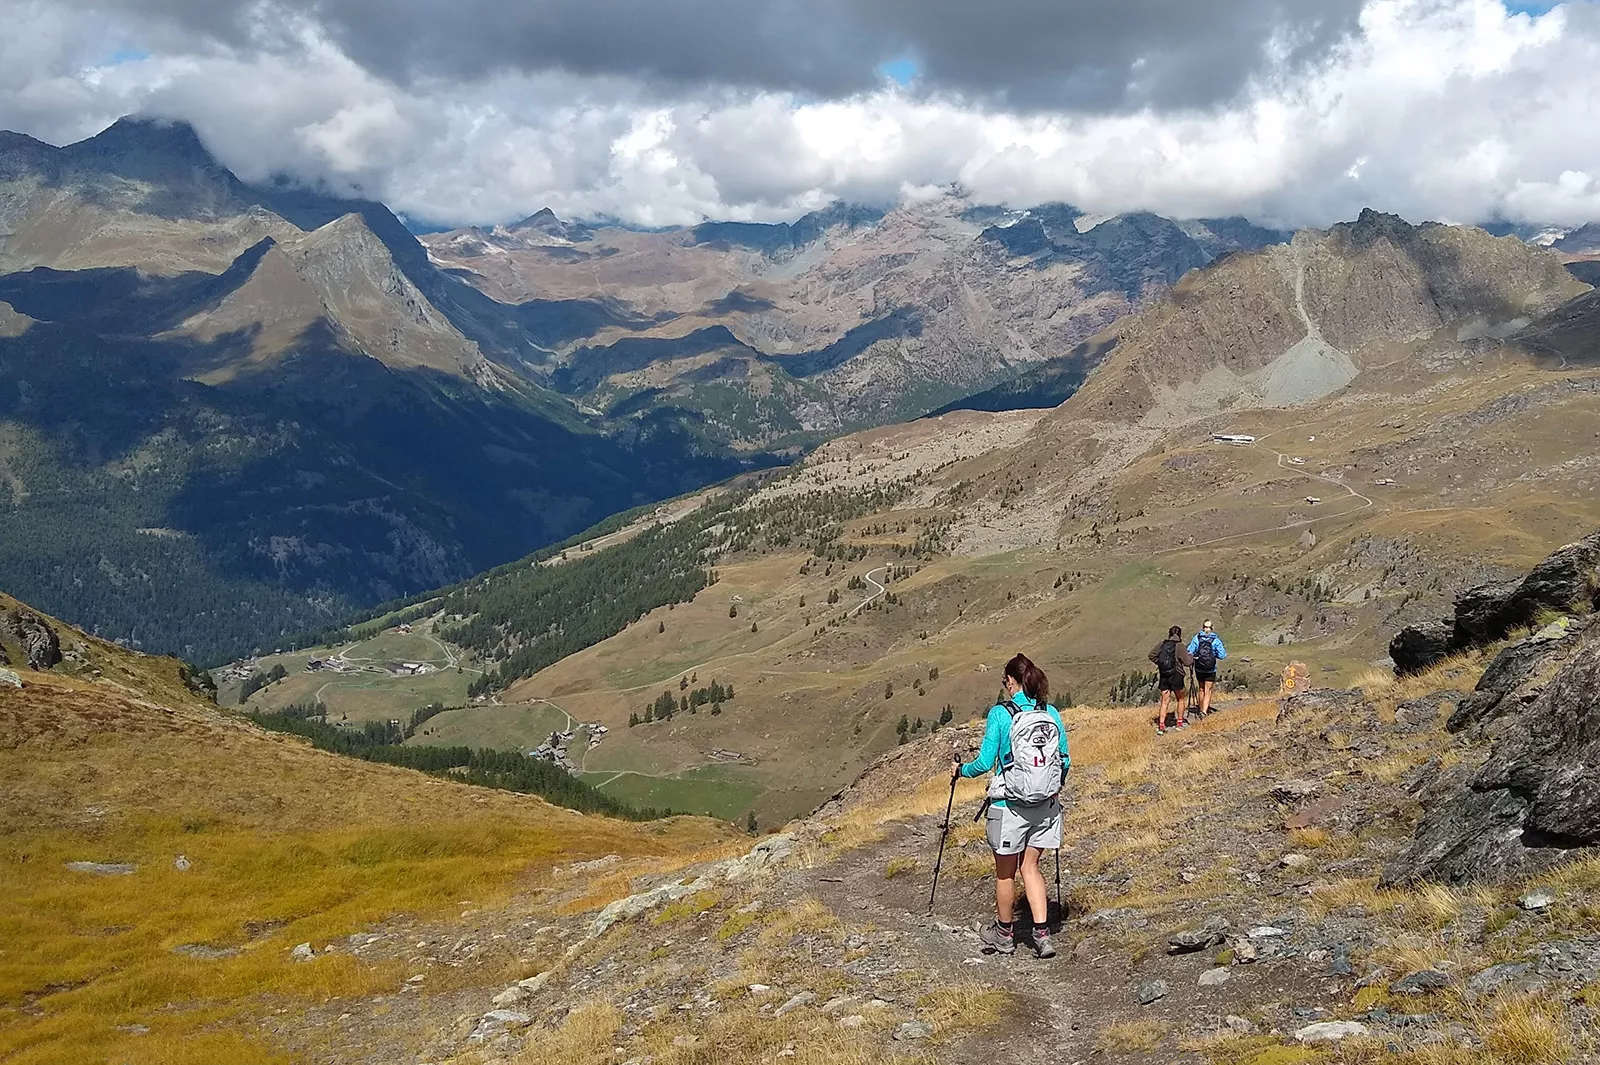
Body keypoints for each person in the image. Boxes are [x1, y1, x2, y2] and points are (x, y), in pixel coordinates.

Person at [950, 653, 1069, 959]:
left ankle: (1004, 934)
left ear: (1012, 681)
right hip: (1045, 804)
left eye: (1004, 681)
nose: (1004, 686)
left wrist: (960, 771)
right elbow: (1064, 760)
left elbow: (984, 763)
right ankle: (1043, 936)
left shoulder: (1001, 714)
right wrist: (1052, 787)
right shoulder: (1051, 712)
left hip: (1009, 805)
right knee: (1031, 867)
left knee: (1006, 873)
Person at [1147, 625, 1193, 735]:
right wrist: (1191, 656)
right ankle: (1179, 723)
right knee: (1180, 699)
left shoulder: (1162, 644)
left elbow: (1151, 655)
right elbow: (1187, 662)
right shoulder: (1180, 646)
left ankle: (1161, 725)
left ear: (1170, 634)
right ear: (1180, 634)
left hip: (1164, 675)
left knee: (1164, 701)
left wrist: (1161, 663)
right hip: (1177, 675)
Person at [1187, 619, 1227, 717]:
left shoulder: (1197, 638)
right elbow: (1222, 655)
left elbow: (1189, 651)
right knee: (1208, 690)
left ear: (1203, 627)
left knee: (1201, 689)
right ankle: (1204, 711)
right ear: (1212, 628)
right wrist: (1214, 655)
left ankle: (1200, 708)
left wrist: (1197, 656)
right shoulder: (1216, 640)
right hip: (1210, 668)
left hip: (1199, 667)